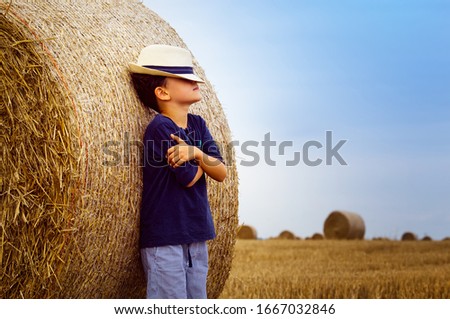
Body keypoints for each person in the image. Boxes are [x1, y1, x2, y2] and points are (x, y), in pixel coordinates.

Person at [129, 44, 227, 299]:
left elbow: (222, 172)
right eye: (184, 79)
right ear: (162, 92)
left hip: (196, 233)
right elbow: (188, 178)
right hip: (165, 238)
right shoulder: (161, 128)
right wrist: (206, 160)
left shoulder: (198, 123)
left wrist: (194, 153)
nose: (196, 82)